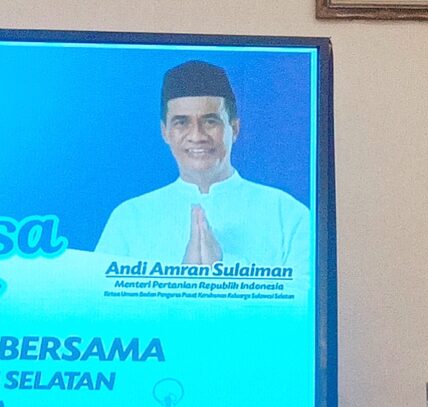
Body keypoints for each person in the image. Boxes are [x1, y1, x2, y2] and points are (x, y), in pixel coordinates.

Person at [96, 60, 311, 268]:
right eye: (182, 123)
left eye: (210, 121)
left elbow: (306, 289)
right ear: (165, 132)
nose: (197, 136)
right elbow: (97, 292)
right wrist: (184, 277)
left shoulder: (287, 214)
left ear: (234, 129)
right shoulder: (129, 218)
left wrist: (223, 266)